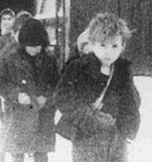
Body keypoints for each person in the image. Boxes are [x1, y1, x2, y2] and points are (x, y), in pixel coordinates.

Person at [54, 12, 141, 162]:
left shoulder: (123, 70)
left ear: (123, 46)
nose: (109, 52)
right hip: (86, 136)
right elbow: (62, 98)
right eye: (103, 45)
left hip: (115, 137)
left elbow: (131, 101)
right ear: (93, 44)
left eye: (115, 46)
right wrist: (88, 118)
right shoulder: (78, 67)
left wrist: (127, 128)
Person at [0, 18, 59, 162]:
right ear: (24, 43)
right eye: (32, 46)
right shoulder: (10, 58)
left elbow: (57, 84)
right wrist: (16, 94)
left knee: (41, 154)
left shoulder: (49, 59)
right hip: (18, 114)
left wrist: (47, 97)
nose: (36, 49)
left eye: (39, 45)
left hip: (42, 115)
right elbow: (2, 82)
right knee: (17, 153)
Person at [0, 10, 33, 162]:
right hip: (13, 101)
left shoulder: (36, 50)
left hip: (31, 104)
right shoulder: (7, 48)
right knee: (12, 139)